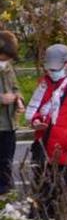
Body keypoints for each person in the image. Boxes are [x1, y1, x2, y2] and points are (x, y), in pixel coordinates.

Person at [25, 44, 67, 210]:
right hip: (45, 147)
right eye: (50, 68)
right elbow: (38, 107)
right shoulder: (46, 83)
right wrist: (36, 121)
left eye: (56, 68)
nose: (52, 72)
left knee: (66, 196)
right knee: (45, 194)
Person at [0, 31, 23, 195]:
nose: (6, 61)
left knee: (6, 162)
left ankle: (5, 195)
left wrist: (18, 99)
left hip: (9, 124)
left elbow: (16, 87)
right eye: (3, 57)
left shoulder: (8, 68)